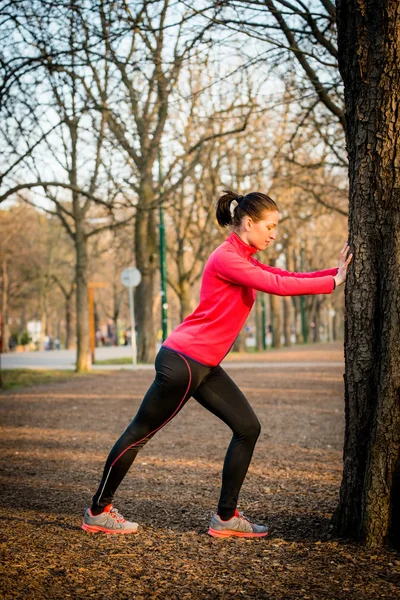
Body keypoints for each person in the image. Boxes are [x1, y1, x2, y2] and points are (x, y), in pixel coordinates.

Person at [82, 190, 352, 538]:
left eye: (276, 227)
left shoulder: (245, 256)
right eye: (269, 226)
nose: (273, 234)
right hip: (184, 361)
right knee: (139, 434)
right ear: (248, 222)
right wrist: (333, 282)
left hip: (203, 364)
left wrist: (337, 271)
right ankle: (97, 511)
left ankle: (225, 517)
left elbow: (284, 274)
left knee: (247, 427)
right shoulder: (227, 257)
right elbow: (278, 285)